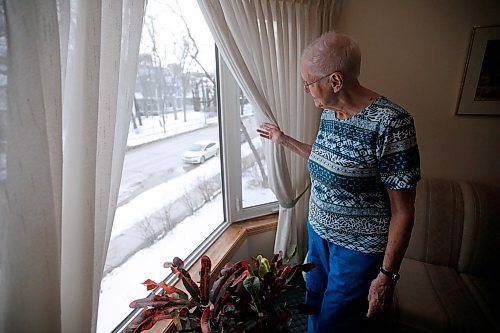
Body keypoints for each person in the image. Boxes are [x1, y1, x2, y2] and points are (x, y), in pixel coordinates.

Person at [257, 31, 420, 333]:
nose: (306, 89)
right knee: (312, 307)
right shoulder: (330, 113)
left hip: (357, 250)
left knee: (334, 323)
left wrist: (387, 275)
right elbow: (325, 159)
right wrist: (284, 140)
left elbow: (404, 210)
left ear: (335, 81)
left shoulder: (392, 123)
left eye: (308, 82)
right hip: (318, 234)